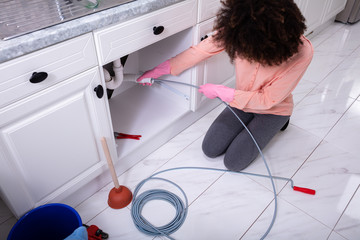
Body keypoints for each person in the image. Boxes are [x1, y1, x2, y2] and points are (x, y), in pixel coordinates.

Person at [136, 0, 313, 171]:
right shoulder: (240, 29)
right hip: (241, 101)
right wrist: (158, 70)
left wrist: (223, 92)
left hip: (273, 109)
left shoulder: (303, 52)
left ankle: (280, 122)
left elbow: (267, 99)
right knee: (210, 149)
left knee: (233, 162)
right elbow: (200, 51)